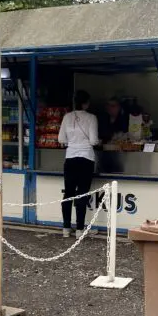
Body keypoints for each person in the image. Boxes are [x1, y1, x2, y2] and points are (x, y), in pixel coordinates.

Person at [58, 90, 99, 237]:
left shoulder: (67, 117)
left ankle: (66, 228)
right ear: (86, 103)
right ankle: (80, 230)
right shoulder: (91, 118)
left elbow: (61, 139)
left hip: (70, 158)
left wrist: (73, 141)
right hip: (86, 158)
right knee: (82, 193)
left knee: (68, 193)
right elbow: (94, 140)